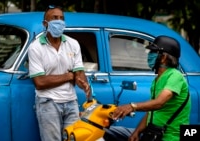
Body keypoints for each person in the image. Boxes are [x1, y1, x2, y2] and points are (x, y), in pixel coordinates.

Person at [105, 35, 191, 141]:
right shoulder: (157, 80)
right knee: (106, 131)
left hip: (170, 137)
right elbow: (151, 111)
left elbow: (159, 102)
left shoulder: (175, 76)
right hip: (152, 133)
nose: (149, 55)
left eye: (153, 53)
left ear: (163, 58)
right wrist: (137, 132)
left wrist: (132, 106)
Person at [28, 5, 91, 141]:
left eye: (61, 18)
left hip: (71, 102)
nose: (59, 21)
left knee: (74, 138)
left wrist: (84, 84)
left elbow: (79, 73)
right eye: (55, 18)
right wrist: (69, 76)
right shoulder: (36, 47)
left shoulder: (73, 44)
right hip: (48, 102)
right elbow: (39, 82)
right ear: (45, 24)